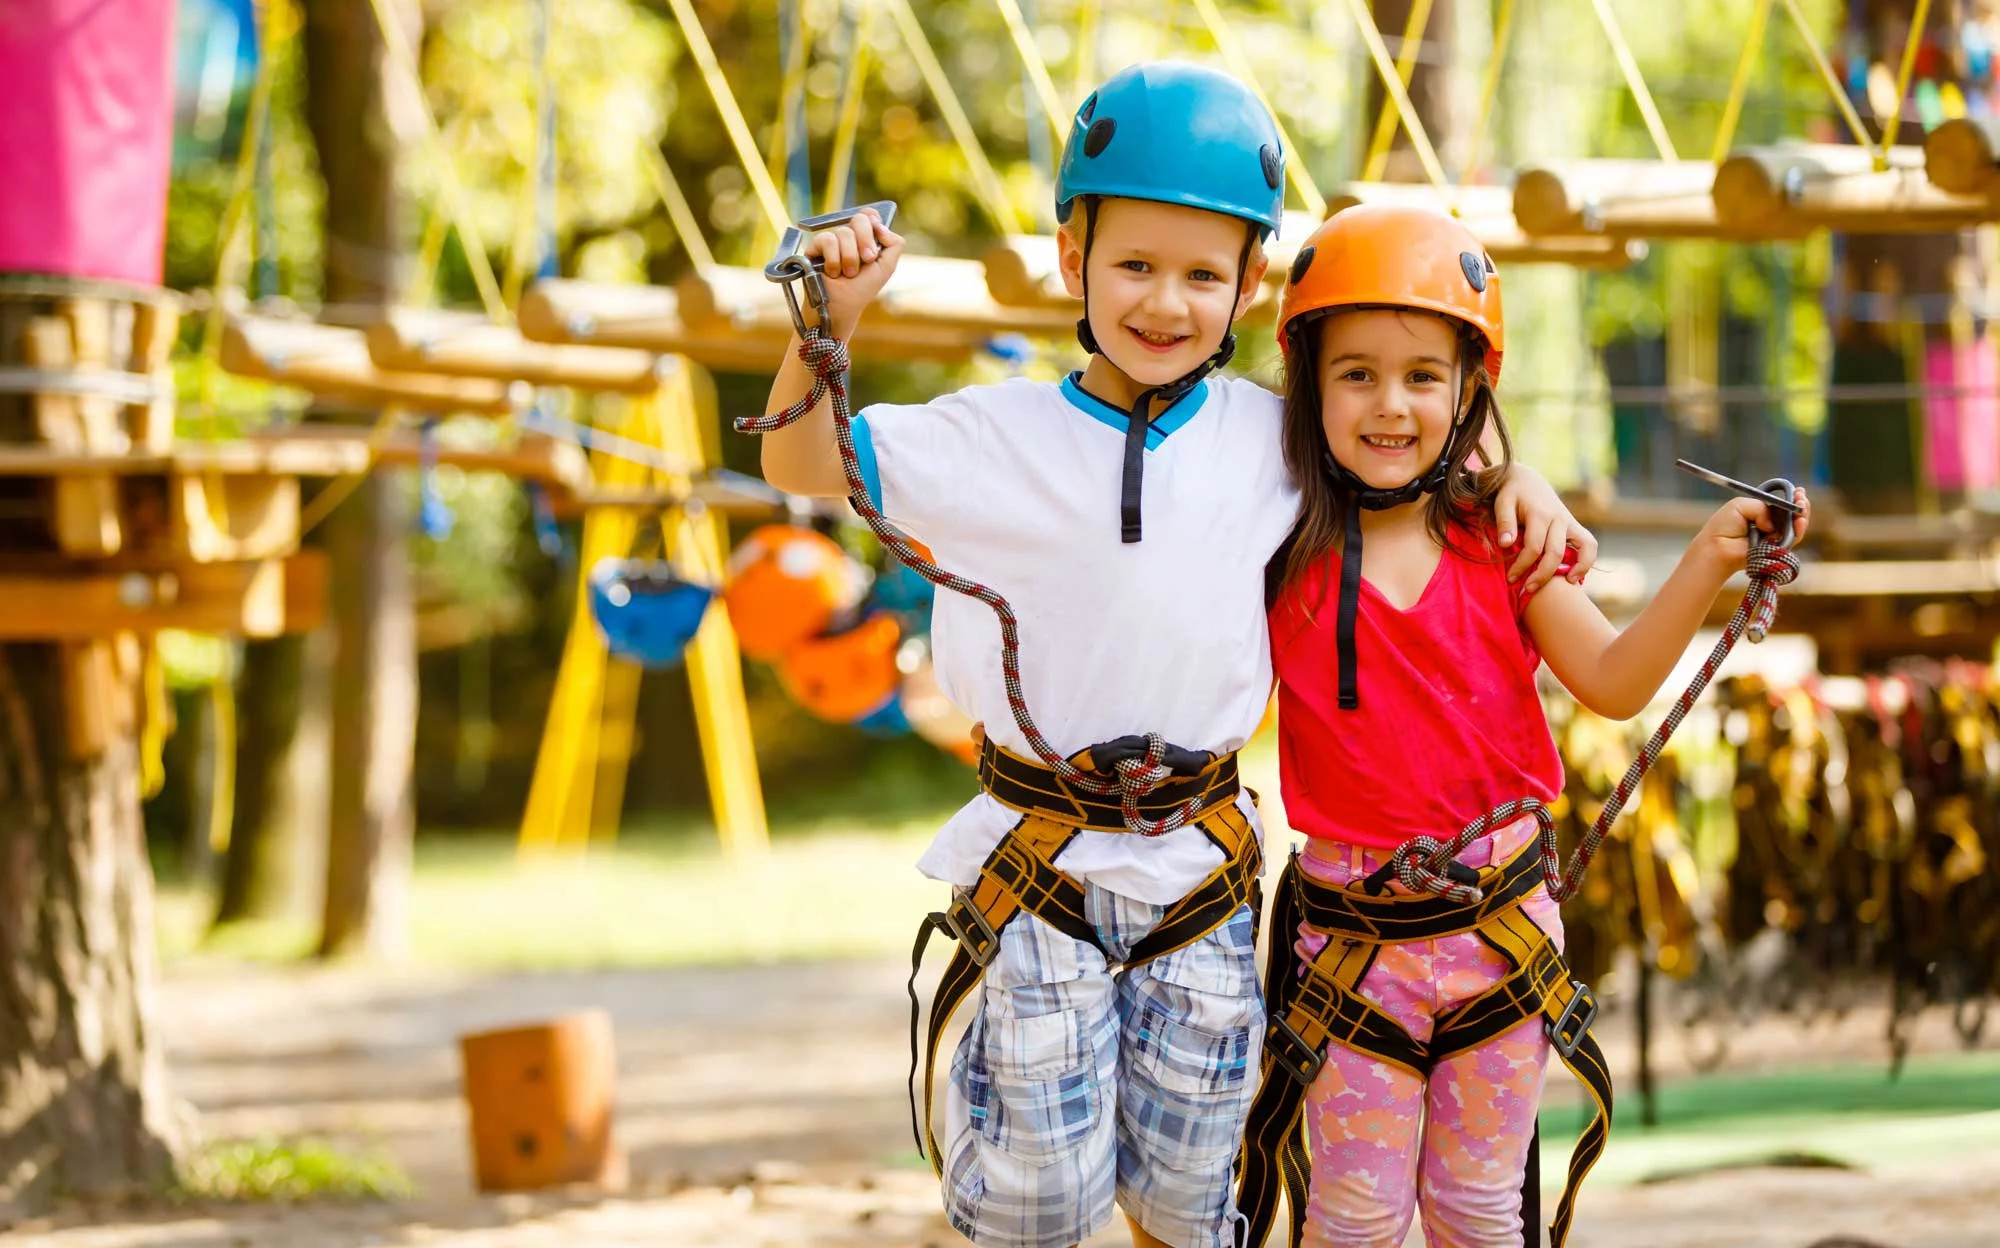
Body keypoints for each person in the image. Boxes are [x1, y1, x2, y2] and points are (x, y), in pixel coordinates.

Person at [756, 63, 1592, 1248]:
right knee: (1038, 1202)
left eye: (1202, 275)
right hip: (1040, 863)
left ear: (1249, 287)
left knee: (1192, 1200)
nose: (1164, 302)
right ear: (1071, 260)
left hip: (1197, 874)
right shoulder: (991, 437)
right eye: (1133, 266)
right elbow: (801, 465)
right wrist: (829, 322)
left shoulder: (1274, 437)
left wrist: (1516, 480)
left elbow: (1408, 443)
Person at [1238, 203, 1811, 1248]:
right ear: (1308, 383)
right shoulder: (1274, 547)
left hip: (1497, 942)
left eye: (1422, 376)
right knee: (1351, 1221)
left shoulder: (1505, 542)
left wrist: (1708, 561)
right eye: (1356, 373)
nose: (1390, 403)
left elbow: (1613, 680)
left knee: (1478, 1214)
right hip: (1349, 944)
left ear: (1468, 392)